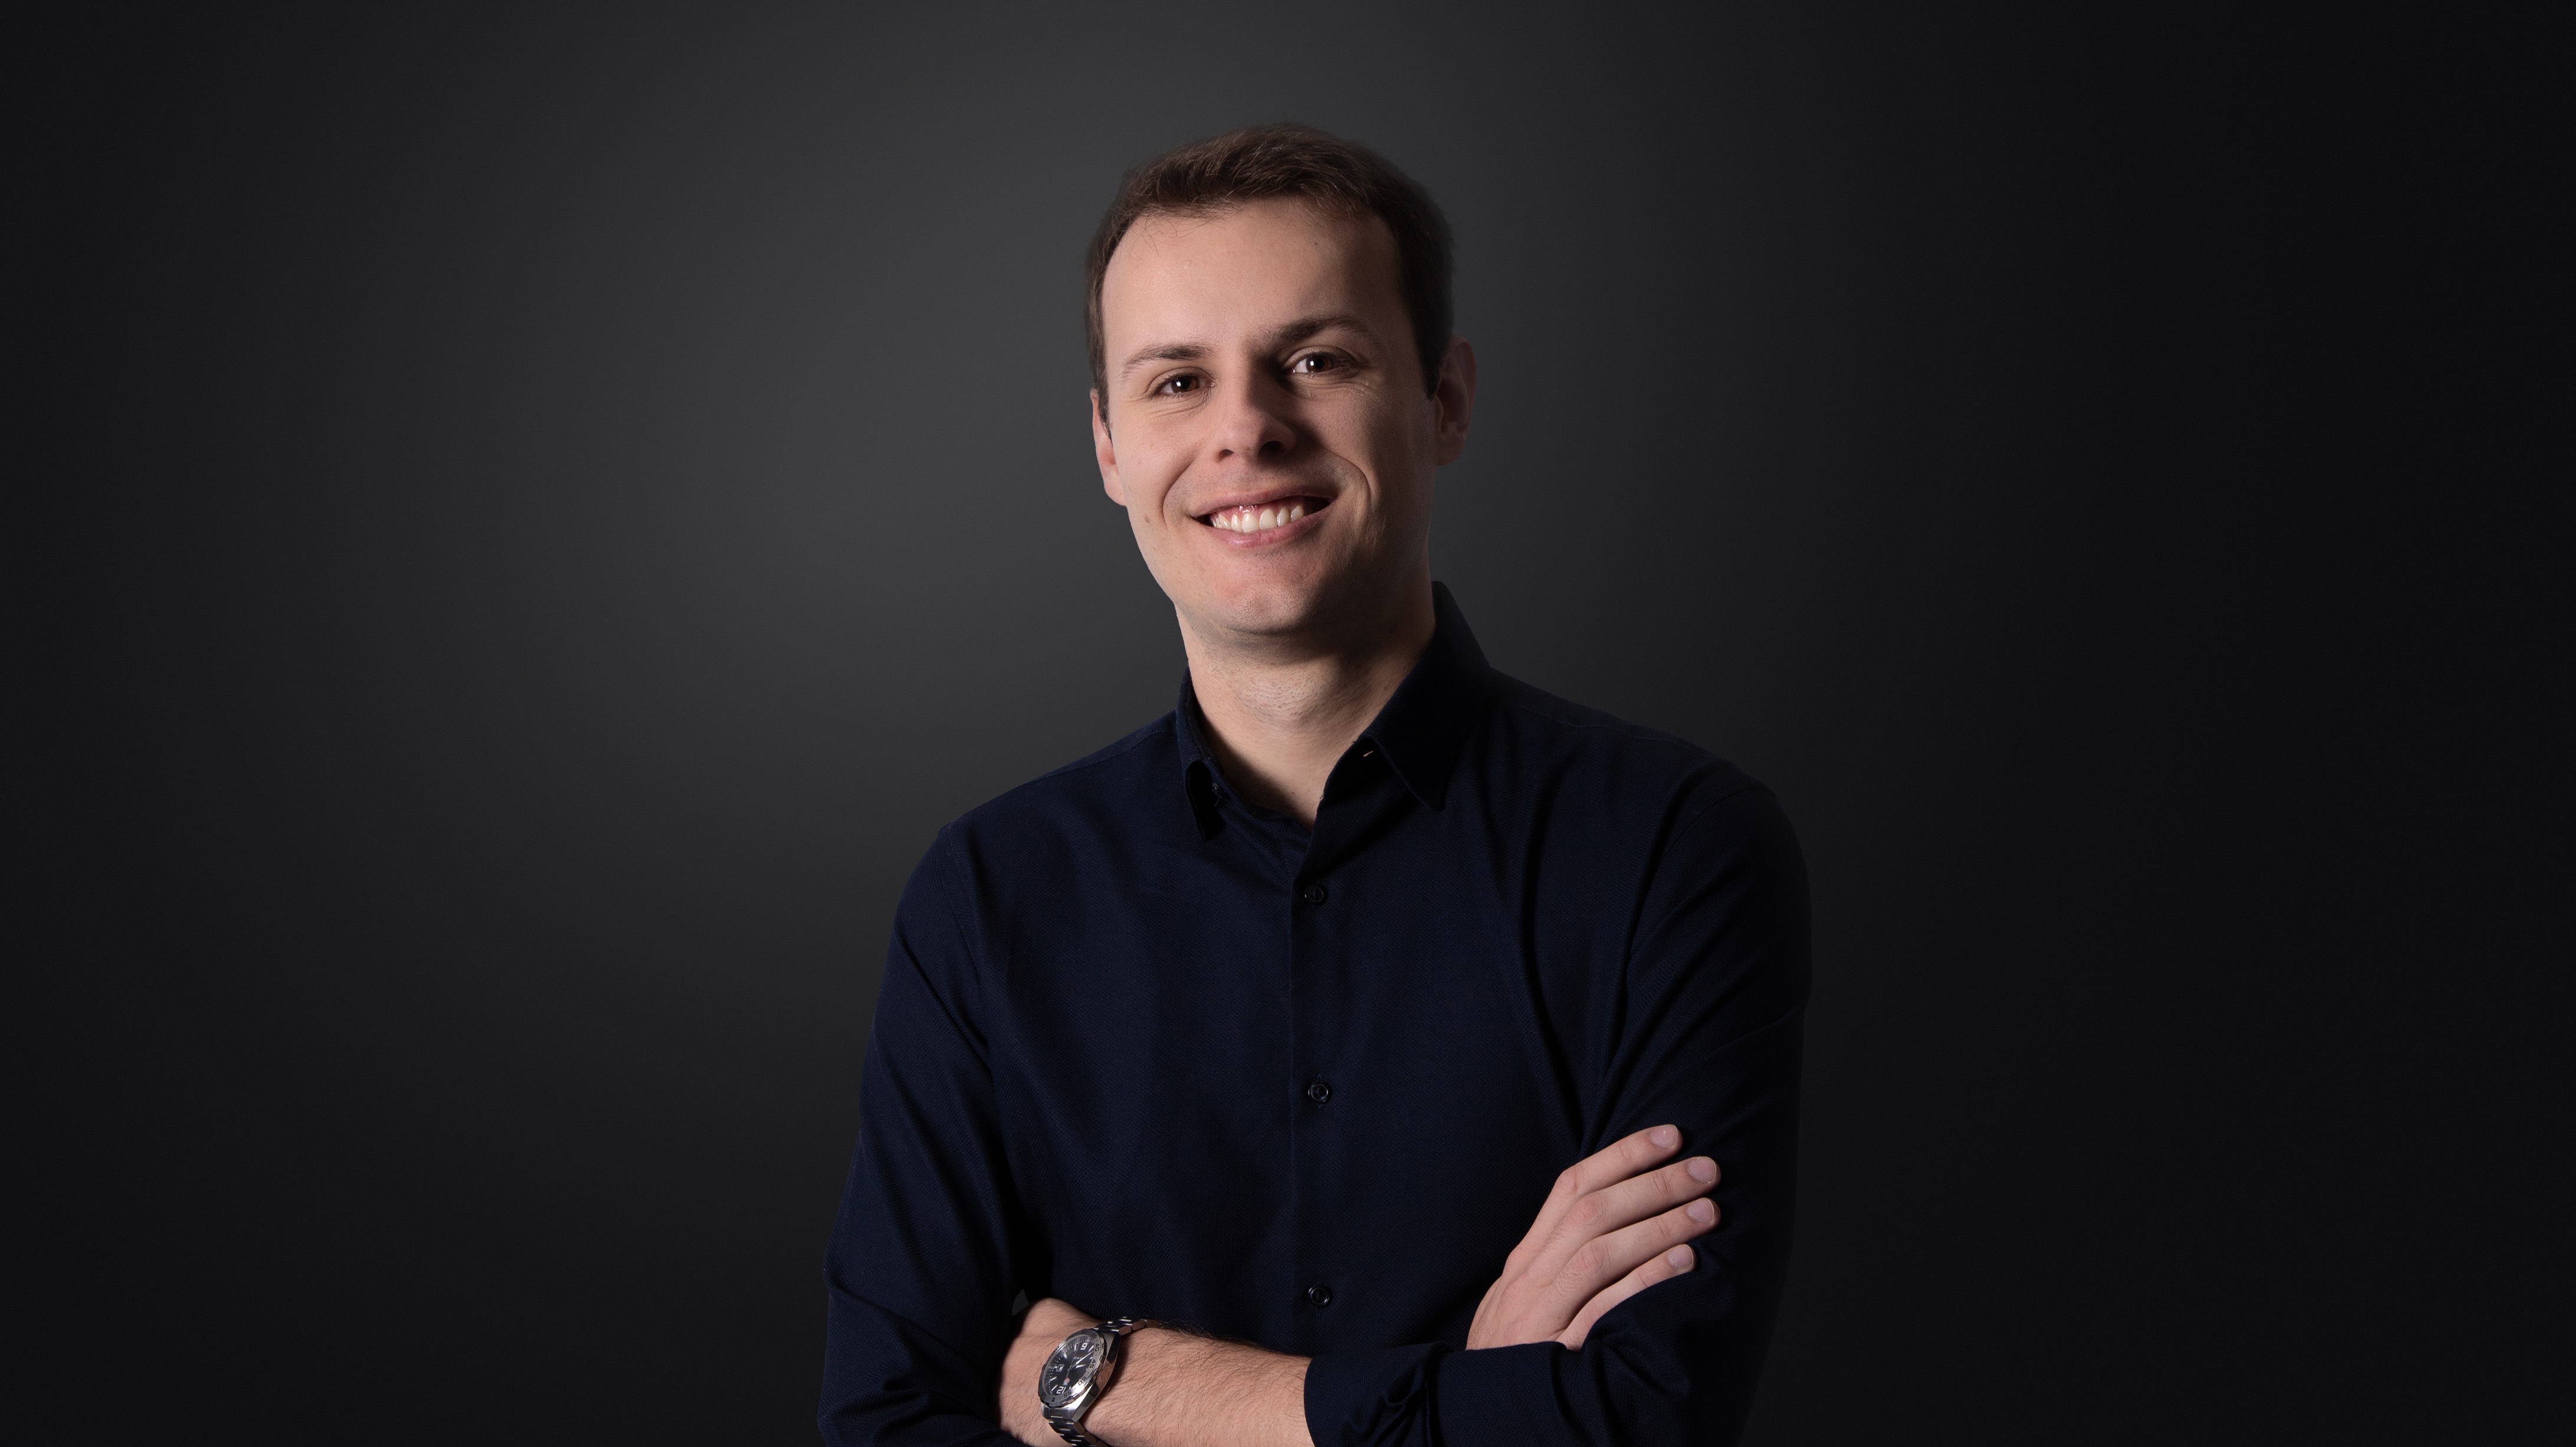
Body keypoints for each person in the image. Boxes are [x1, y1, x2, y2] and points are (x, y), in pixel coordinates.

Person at [820, 123, 1810, 1447]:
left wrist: (1120, 1382)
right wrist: (1467, 1394)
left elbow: (1639, 1420)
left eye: (1317, 361)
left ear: (1445, 400)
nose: (1247, 430)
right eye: (1178, 381)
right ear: (1109, 446)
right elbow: (887, 1424)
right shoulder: (987, 895)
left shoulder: (1675, 852)